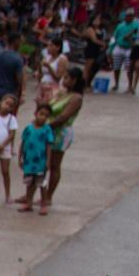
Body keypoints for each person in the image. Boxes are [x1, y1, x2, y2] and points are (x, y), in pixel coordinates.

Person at [41, 66, 85, 216]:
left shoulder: (76, 98)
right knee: (43, 163)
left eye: (66, 78)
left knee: (54, 164)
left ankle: (48, 195)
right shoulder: (62, 93)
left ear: (75, 80)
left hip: (60, 132)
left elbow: (63, 117)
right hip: (50, 129)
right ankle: (40, 193)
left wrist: (45, 126)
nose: (63, 80)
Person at [17, 103, 54, 213]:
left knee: (41, 183)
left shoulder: (47, 130)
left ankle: (43, 204)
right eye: (41, 114)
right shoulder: (28, 128)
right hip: (29, 162)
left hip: (40, 162)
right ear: (35, 114)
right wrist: (20, 158)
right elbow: (22, 143)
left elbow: (49, 146)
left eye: (46, 116)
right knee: (29, 183)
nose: (43, 117)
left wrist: (48, 161)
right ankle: (29, 203)